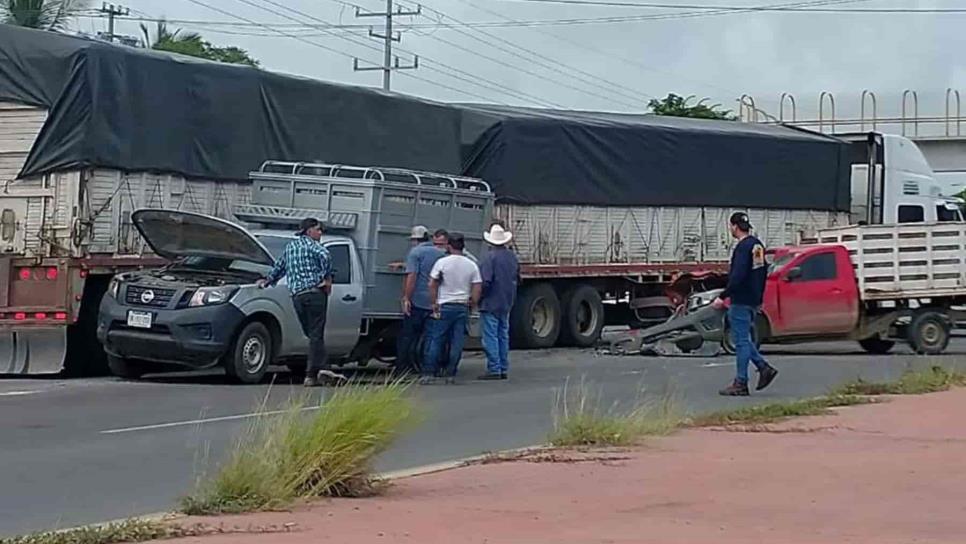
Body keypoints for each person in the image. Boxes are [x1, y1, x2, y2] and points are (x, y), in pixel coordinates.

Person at [258, 218, 345, 387]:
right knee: (315, 334)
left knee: (311, 333)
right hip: (315, 293)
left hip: (297, 296)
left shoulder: (290, 247)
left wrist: (266, 281)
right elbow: (326, 256)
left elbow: (280, 267)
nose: (320, 233)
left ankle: (322, 368)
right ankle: (312, 373)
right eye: (318, 230)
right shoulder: (315, 247)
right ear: (309, 231)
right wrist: (327, 277)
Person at [712, 212, 779, 396]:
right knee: (745, 339)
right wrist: (758, 297)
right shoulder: (757, 246)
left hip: (740, 300)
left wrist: (724, 295)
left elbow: (738, 276)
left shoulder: (742, 248)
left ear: (734, 226)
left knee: (741, 341)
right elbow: (761, 272)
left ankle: (741, 382)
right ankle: (764, 368)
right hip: (753, 300)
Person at [422, 233, 482, 384]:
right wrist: (473, 303)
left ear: (449, 246)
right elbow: (477, 287)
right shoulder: (471, 265)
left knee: (436, 339)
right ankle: (451, 373)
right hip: (462, 306)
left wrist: (434, 302)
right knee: (457, 342)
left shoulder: (442, 262)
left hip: (444, 304)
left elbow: (432, 283)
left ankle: (429, 373)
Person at [396, 225, 445, 375]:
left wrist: (406, 298)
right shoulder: (440, 253)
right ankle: (428, 367)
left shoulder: (415, 253)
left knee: (408, 336)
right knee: (431, 337)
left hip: (417, 300)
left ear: (416, 240)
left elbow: (412, 276)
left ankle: (403, 368)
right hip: (434, 301)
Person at [477, 224, 520, 381]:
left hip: (491, 301)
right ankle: (503, 367)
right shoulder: (512, 257)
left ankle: (494, 368)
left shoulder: (489, 258)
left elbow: (486, 281)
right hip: (507, 300)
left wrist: (478, 298)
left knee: (490, 336)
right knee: (503, 335)